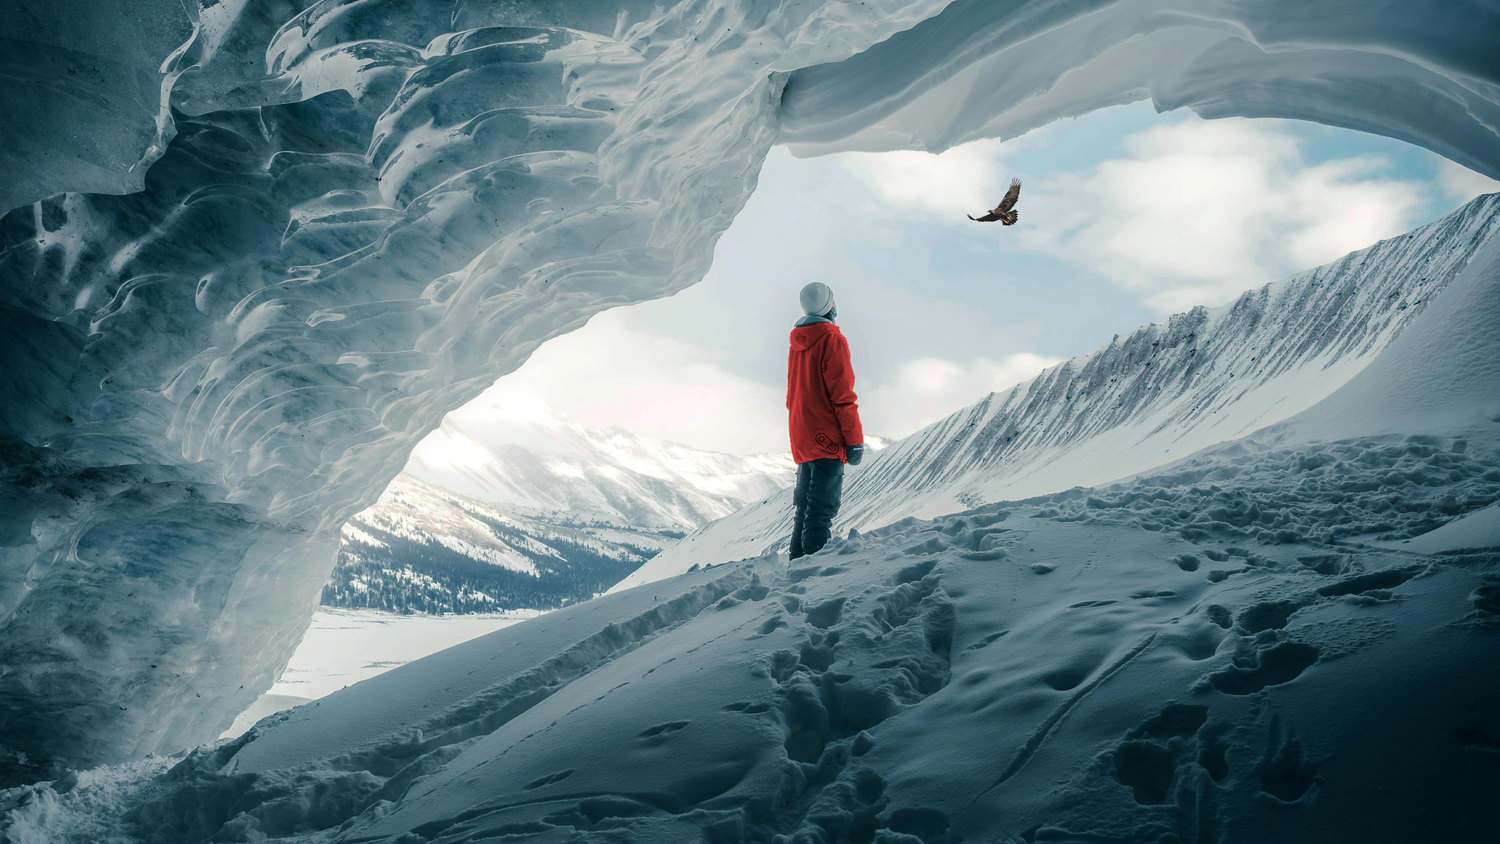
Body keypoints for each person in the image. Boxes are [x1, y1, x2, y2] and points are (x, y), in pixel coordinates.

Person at [786, 281, 864, 560]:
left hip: (803, 434)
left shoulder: (798, 340)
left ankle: (796, 567)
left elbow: (793, 393)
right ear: (829, 305)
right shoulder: (832, 339)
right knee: (821, 511)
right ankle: (812, 574)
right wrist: (854, 441)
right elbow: (842, 396)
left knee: (804, 509)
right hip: (827, 437)